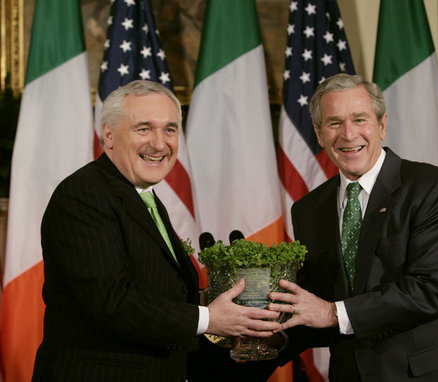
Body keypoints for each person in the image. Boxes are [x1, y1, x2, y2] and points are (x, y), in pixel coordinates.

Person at [31, 80, 280, 381]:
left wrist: (230, 303)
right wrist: (210, 318)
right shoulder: (84, 195)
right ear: (108, 135)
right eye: (144, 128)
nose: (160, 144)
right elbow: (111, 302)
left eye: (170, 129)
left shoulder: (141, 195)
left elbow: (155, 289)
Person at [268, 73, 438, 381]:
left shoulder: (434, 189)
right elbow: (317, 301)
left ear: (381, 125)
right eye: (334, 123)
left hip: (425, 373)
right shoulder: (308, 210)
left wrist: (330, 313)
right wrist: (268, 337)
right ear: (319, 133)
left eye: (360, 119)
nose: (348, 134)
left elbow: (429, 291)